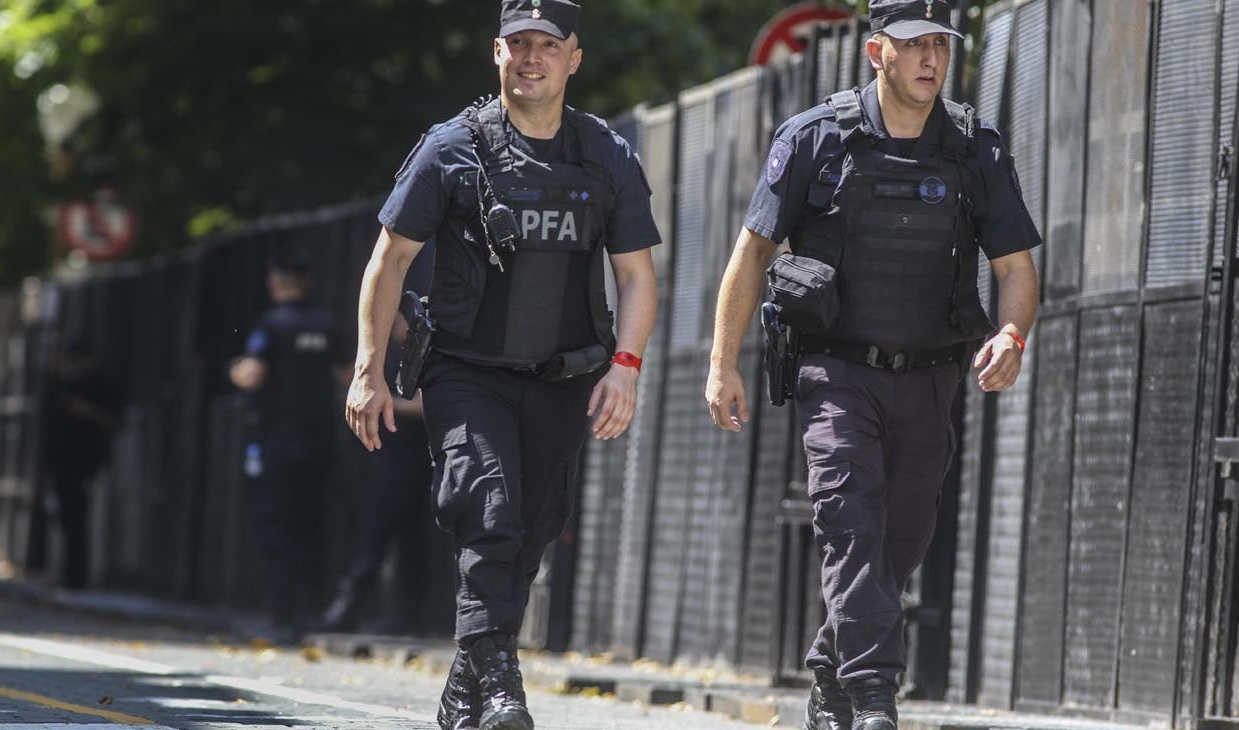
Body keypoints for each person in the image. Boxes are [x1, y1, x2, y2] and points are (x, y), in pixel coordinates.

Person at [704, 2, 1041, 729]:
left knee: (901, 539)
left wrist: (1012, 335)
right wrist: (720, 362)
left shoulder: (973, 146)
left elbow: (1015, 266)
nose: (931, 60)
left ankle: (830, 667)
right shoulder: (815, 137)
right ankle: (874, 695)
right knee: (851, 525)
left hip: (930, 378)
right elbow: (753, 253)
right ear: (876, 52)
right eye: (915, 45)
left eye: (941, 47)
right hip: (836, 374)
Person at [344, 1, 661, 727]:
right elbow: (388, 261)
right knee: (488, 512)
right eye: (518, 43)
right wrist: (368, 368)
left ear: (573, 58)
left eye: (547, 45)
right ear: (496, 53)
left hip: (566, 376)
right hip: (466, 371)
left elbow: (638, 276)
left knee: (531, 531)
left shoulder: (605, 153)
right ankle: (502, 690)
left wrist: (627, 365)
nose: (532, 56)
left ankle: (465, 688)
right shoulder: (451, 147)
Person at [230, 252, 349, 644]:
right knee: (313, 524)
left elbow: (252, 374)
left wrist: (234, 368)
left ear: (275, 283)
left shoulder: (271, 325)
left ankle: (283, 614)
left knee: (275, 525)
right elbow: (346, 375)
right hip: (320, 439)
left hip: (276, 439)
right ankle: (313, 609)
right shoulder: (327, 325)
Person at [319, 312, 433, 635]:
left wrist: (382, 401)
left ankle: (350, 607)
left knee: (381, 534)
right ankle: (403, 616)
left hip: (410, 461)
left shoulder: (421, 356)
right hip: (391, 457)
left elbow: (427, 405)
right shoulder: (390, 356)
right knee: (404, 539)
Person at [41, 338, 121, 589]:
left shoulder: (100, 385)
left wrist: (86, 412)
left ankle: (80, 577)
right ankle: (67, 574)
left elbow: (115, 420)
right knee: (65, 518)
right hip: (61, 462)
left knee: (83, 519)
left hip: (90, 462)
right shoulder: (58, 385)